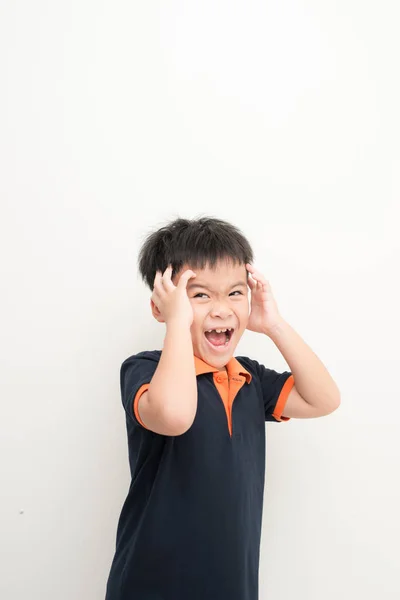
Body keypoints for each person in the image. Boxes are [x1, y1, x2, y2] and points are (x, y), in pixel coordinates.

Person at [105, 216, 341, 600]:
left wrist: (275, 324)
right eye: (199, 296)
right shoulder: (145, 369)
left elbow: (324, 399)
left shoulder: (249, 378)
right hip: (152, 584)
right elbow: (175, 416)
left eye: (234, 293)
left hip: (232, 585)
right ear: (161, 306)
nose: (221, 309)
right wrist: (178, 326)